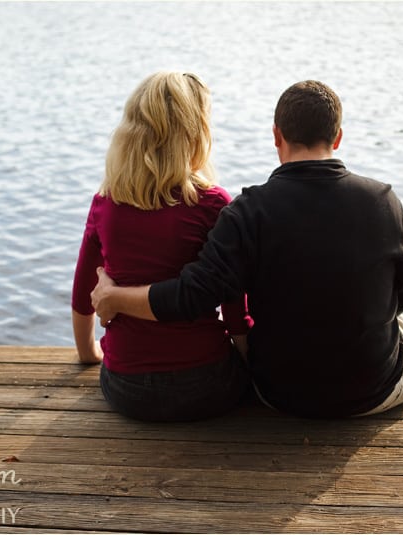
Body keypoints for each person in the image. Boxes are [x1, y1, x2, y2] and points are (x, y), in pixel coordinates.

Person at [90, 79, 403, 418]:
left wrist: (116, 297)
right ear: (338, 137)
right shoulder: (383, 201)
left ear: (276, 136)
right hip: (374, 393)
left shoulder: (246, 211)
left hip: (280, 393)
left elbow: (192, 294)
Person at [71, 71, 251, 422]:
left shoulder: (105, 204)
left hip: (126, 387)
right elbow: (234, 310)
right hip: (207, 383)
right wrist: (246, 362)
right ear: (194, 132)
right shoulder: (212, 204)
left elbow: (82, 294)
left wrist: (89, 354)